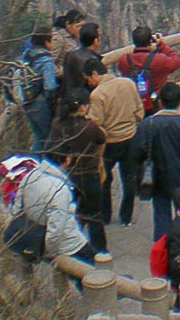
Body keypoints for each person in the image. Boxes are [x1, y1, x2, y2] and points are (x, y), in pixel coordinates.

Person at [132, 82, 180, 241]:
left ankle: (163, 248)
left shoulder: (148, 124)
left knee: (161, 214)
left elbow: (136, 152)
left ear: (160, 102)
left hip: (158, 178)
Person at [84, 58, 143, 228]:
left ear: (95, 74)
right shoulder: (128, 83)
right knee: (129, 178)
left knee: (104, 179)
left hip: (109, 142)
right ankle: (126, 216)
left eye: (88, 78)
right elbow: (139, 112)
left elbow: (96, 123)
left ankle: (105, 215)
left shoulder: (97, 95)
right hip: (131, 137)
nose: (88, 83)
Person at [47, 87, 107, 252]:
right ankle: (100, 251)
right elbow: (102, 138)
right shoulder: (90, 127)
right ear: (82, 107)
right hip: (89, 174)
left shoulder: (57, 124)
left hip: (67, 175)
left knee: (71, 212)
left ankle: (75, 247)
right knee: (95, 215)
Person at [10, 151, 96, 265]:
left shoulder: (30, 176)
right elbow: (56, 229)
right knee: (96, 271)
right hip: (69, 246)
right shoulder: (60, 191)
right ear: (66, 161)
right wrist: (50, 252)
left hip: (38, 236)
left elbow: (16, 209)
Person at [117, 26, 180, 115]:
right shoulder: (159, 60)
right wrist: (161, 45)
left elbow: (121, 69)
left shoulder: (124, 60)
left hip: (135, 105)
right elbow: (176, 61)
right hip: (156, 104)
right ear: (150, 41)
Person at [20, 26, 59, 153]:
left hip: (27, 101)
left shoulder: (27, 54)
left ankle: (34, 165)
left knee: (38, 137)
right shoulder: (46, 60)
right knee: (49, 138)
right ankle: (43, 166)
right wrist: (53, 100)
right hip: (40, 103)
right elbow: (50, 86)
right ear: (47, 43)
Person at [62, 22, 102, 98]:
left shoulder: (70, 53)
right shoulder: (92, 61)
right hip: (84, 101)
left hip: (67, 98)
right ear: (96, 41)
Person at [50, 8, 85, 79]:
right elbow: (49, 61)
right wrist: (62, 72)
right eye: (78, 26)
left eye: (82, 26)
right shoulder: (59, 38)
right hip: (64, 80)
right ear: (68, 24)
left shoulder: (75, 38)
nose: (80, 29)